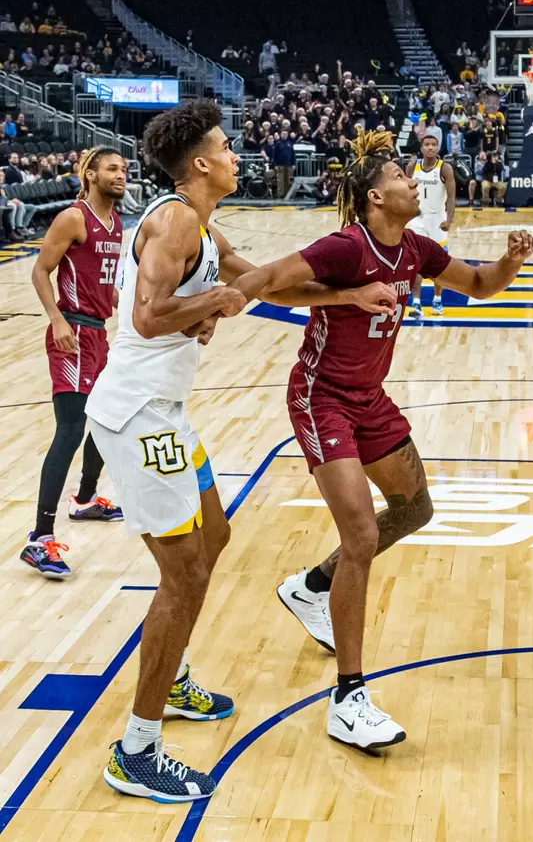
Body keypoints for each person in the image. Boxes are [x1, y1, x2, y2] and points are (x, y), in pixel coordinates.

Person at [89, 101, 392, 803]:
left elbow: (270, 283)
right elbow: (146, 316)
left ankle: (173, 675)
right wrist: (212, 306)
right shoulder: (172, 221)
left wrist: (349, 296)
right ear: (198, 164)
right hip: (139, 416)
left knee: (215, 535)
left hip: (167, 412)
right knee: (185, 574)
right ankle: (136, 750)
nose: (234, 156)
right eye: (224, 148)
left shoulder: (202, 225)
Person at [232, 131, 533, 750]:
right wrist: (341, 294)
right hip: (322, 398)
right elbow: (267, 281)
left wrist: (510, 263)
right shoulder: (345, 246)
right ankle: (348, 698)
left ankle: (311, 585)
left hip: (371, 401)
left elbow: (478, 285)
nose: (413, 182)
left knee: (416, 509)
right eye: (402, 175)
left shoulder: (415, 247)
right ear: (376, 197)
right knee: (362, 535)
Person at [19, 148, 127, 578]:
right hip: (73, 334)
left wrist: (111, 295)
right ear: (91, 174)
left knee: (105, 418)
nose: (121, 175)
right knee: (71, 428)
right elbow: (40, 270)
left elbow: (96, 272)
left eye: (124, 169)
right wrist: (57, 318)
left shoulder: (117, 222)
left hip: (97, 332)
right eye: (113, 169)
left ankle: (83, 500)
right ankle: (39, 538)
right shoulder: (73, 217)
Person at [405, 133, 456, 319]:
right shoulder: (412, 166)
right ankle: (416, 303)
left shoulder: (445, 168)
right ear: (421, 148)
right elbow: (404, 191)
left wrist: (449, 220)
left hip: (437, 219)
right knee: (416, 261)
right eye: (427, 144)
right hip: (417, 218)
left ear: (438, 147)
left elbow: (451, 197)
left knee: (439, 262)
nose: (430, 148)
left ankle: (437, 300)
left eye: (434, 144)